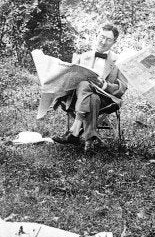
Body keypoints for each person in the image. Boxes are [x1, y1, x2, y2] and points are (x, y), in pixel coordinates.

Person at [52, 23, 127, 151]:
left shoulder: (118, 61)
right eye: (101, 37)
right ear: (97, 36)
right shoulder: (83, 56)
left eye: (108, 39)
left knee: (90, 92)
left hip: (105, 99)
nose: (103, 42)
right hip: (79, 97)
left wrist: (105, 85)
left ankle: (76, 129)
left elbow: (122, 87)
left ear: (114, 42)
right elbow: (68, 80)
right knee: (88, 90)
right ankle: (89, 140)